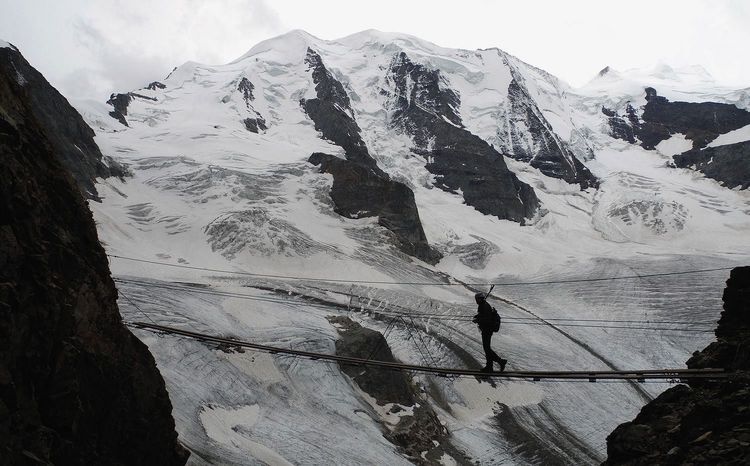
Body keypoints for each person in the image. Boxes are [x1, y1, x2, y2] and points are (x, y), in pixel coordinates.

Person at [473, 292, 507, 373]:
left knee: (487, 349)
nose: (476, 301)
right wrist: (478, 317)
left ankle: (500, 362)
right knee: (487, 349)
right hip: (487, 329)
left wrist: (477, 320)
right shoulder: (483, 305)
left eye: (477, 299)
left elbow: (486, 319)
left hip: (487, 330)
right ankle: (490, 367)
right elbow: (484, 316)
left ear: (479, 299)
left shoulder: (484, 306)